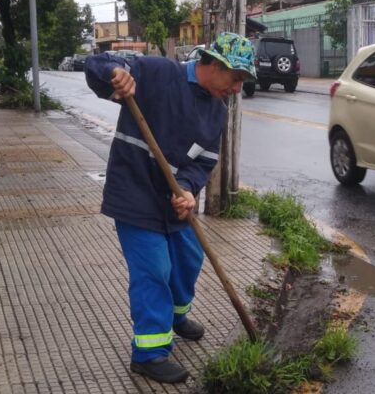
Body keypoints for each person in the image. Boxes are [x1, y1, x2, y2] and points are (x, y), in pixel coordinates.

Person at [84, 32, 256, 384]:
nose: (238, 88)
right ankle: (149, 353)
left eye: (242, 81)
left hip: (174, 202)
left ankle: (177, 316)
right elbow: (96, 65)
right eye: (236, 78)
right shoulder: (160, 73)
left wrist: (190, 191)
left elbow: (204, 161)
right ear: (211, 64)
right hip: (135, 194)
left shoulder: (216, 111)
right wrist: (116, 73)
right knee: (154, 271)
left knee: (189, 258)